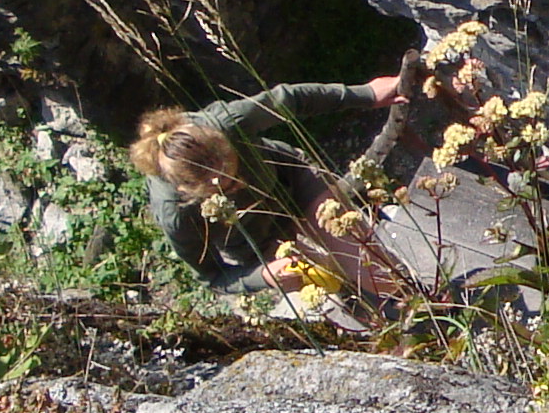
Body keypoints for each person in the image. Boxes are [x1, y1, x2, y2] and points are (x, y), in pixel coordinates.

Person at [130, 66, 438, 289]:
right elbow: (212, 278)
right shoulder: (176, 213)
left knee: (369, 267)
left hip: (290, 178)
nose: (238, 183)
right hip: (256, 238)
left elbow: (289, 99)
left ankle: (423, 303)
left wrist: (366, 94)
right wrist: (262, 277)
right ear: (191, 192)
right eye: (227, 187)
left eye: (235, 170)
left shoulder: (226, 122)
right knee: (321, 280)